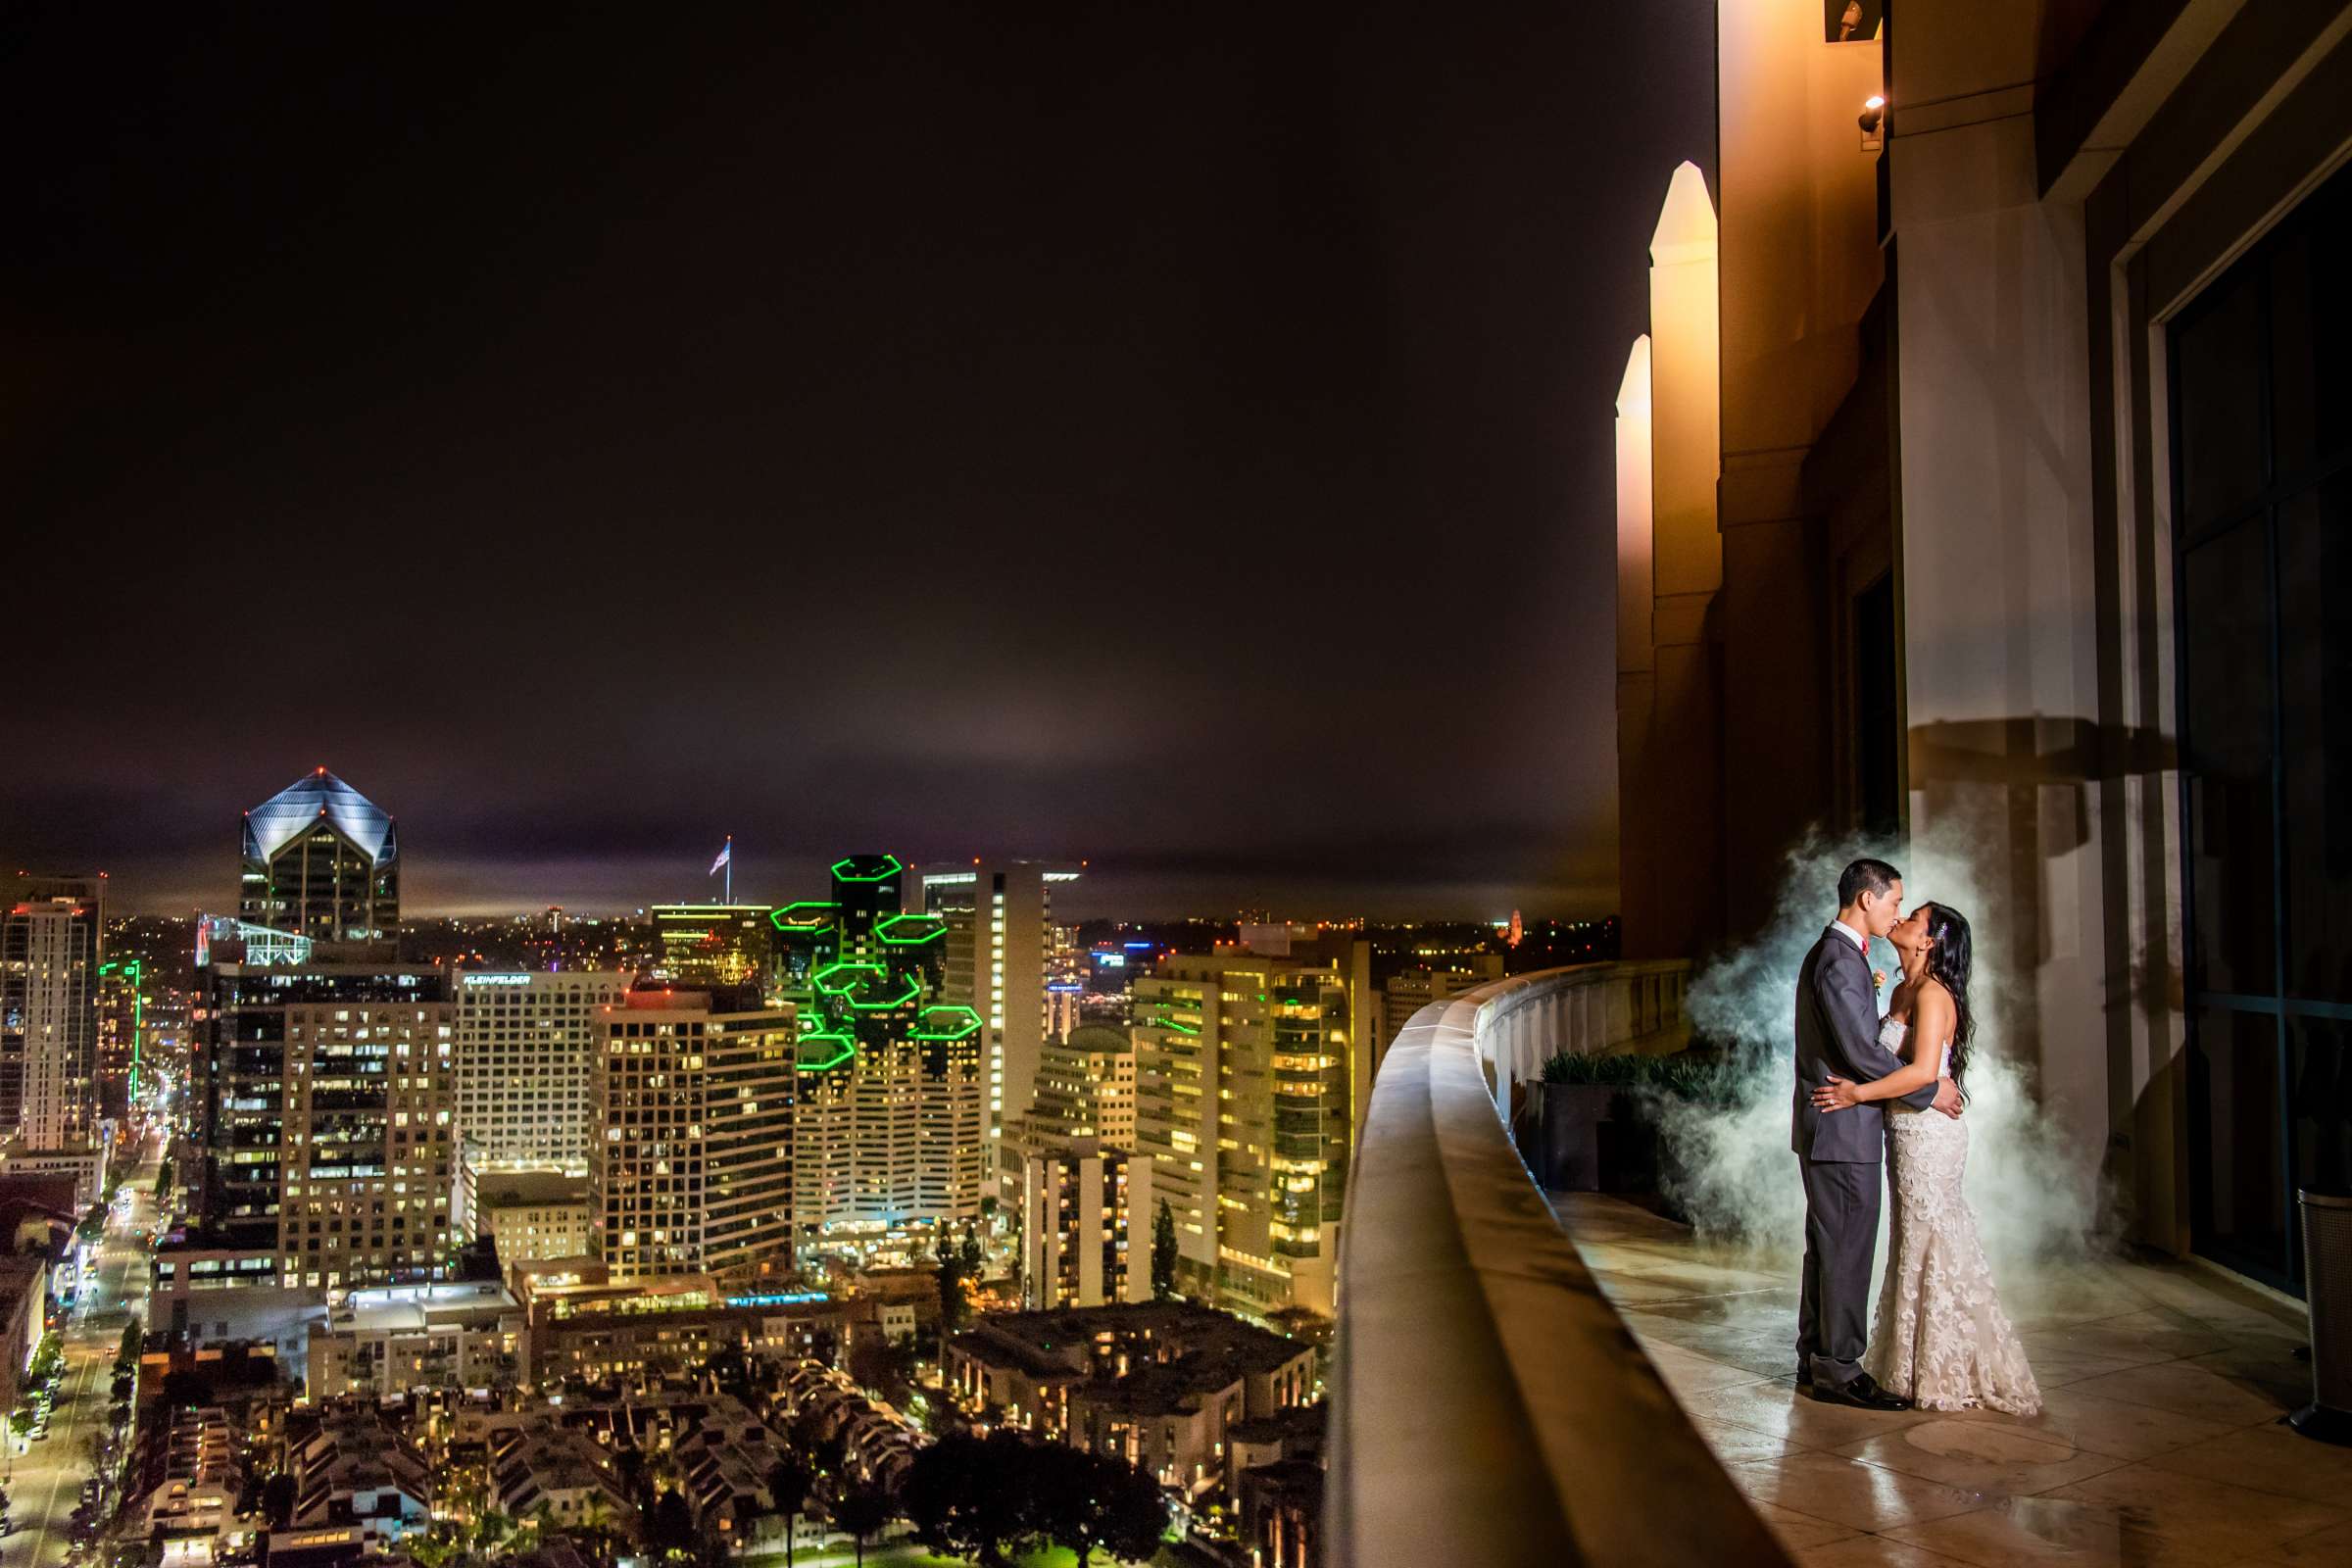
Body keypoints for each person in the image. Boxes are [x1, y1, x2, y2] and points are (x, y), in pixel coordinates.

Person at [1812, 902, 2040, 1414]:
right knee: (1911, 1239)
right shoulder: (1899, 990)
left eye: (1913, 917)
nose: (1902, 920)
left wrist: (1855, 1096)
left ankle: (1951, 1361)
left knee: (1934, 1234)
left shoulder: (1934, 994)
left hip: (1929, 1133)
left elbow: (1918, 1075)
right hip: (1900, 1130)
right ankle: (1909, 1361)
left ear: (1929, 941)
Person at [1791, 858, 1962, 1410]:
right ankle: (1839, 1369)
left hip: (1838, 1126)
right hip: (1842, 1127)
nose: (1896, 915)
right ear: (1866, 899)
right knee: (1844, 1247)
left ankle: (1816, 1356)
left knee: (1828, 1245)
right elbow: (1861, 1053)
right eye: (1894, 903)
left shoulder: (1842, 958)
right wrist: (1928, 1091)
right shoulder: (1840, 962)